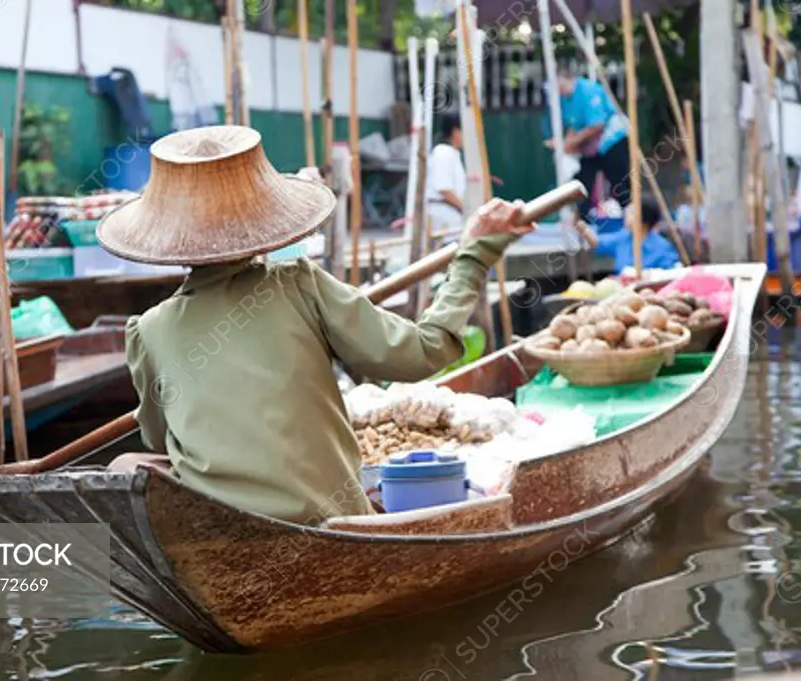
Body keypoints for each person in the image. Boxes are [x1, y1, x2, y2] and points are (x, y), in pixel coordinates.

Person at [98, 126, 536, 526]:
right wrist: (473, 255)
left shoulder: (149, 330)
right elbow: (423, 352)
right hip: (327, 519)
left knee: (125, 466)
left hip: (220, 524)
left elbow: (157, 437)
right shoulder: (299, 285)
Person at [546, 66, 630, 219]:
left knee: (620, 182)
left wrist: (570, 143)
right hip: (589, 145)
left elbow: (597, 124)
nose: (559, 90)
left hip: (611, 140)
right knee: (582, 183)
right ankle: (582, 221)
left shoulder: (588, 90)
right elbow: (573, 125)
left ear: (570, 79)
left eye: (561, 86)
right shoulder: (563, 99)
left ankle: (632, 218)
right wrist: (566, 142)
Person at [574, 195, 680, 272]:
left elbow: (672, 272)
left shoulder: (662, 247)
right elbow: (597, 242)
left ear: (643, 219)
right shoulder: (623, 238)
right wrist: (583, 228)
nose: (626, 214)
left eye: (631, 212)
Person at [426, 112, 467, 235]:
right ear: (455, 132)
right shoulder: (443, 153)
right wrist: (465, 209)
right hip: (443, 216)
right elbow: (444, 188)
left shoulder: (453, 153)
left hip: (451, 215)